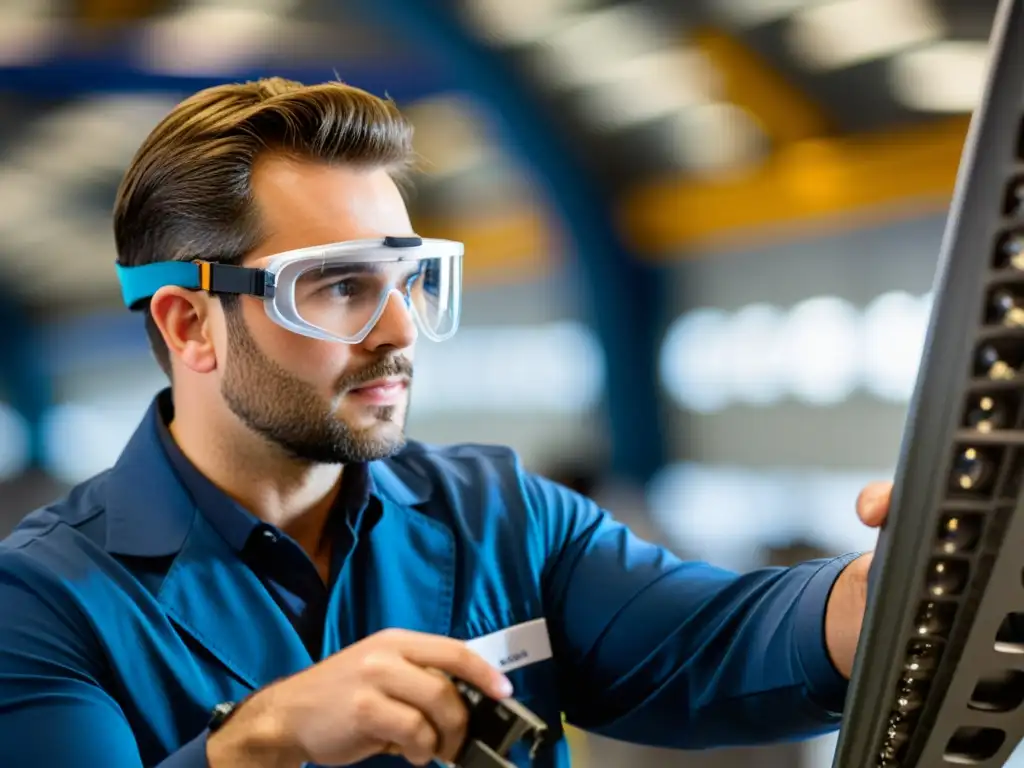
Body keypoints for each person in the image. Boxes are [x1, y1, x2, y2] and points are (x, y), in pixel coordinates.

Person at [0, 77, 892, 768]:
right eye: (341, 286)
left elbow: (719, 642)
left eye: (409, 281)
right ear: (192, 324)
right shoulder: (43, 605)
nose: (398, 332)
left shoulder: (499, 516)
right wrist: (261, 740)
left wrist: (905, 576)